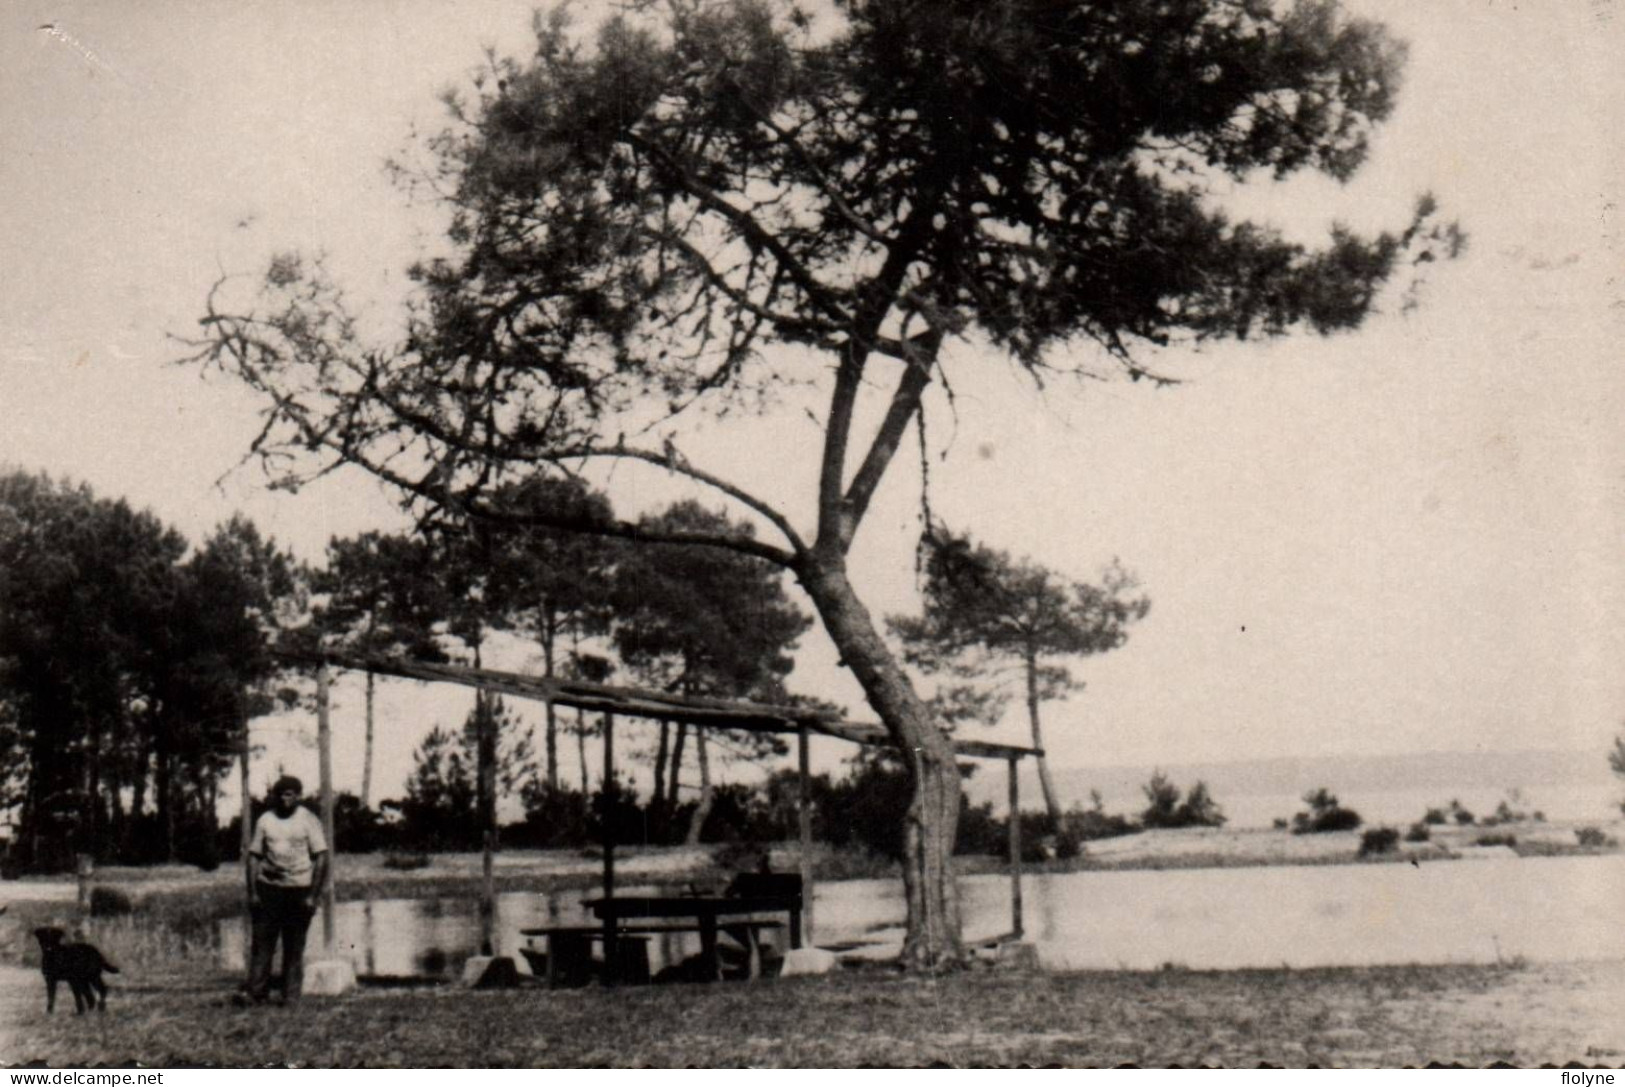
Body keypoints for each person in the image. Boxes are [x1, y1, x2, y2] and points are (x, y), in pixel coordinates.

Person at [239, 775, 328, 1006]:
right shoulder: (266, 820)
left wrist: (312, 896)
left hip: (299, 889)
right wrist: (253, 893)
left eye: (289, 794)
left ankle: (291, 996)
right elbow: (253, 857)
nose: (284, 799)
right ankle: (256, 993)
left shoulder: (308, 820)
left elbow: (321, 857)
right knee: (262, 944)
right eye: (280, 794)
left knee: (294, 945)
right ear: (275, 797)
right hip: (269, 889)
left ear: (298, 796)